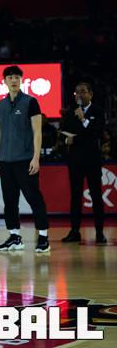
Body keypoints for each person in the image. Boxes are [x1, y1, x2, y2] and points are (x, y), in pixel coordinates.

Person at [0, 65, 49, 253]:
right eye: (10, 77)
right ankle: (15, 237)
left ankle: (43, 237)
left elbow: (37, 132)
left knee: (34, 198)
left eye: (17, 77)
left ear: (21, 80)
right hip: (6, 161)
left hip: (25, 160)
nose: (14, 80)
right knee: (10, 201)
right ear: (4, 81)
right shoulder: (1, 105)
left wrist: (36, 158)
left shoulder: (31, 102)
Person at [61, 82, 107, 244]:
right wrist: (68, 139)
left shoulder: (98, 111)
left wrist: (83, 120)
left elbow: (97, 132)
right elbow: (65, 131)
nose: (79, 95)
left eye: (82, 92)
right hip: (75, 160)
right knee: (75, 196)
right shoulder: (70, 112)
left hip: (92, 160)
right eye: (76, 92)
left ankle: (99, 233)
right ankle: (74, 231)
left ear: (90, 94)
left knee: (96, 196)